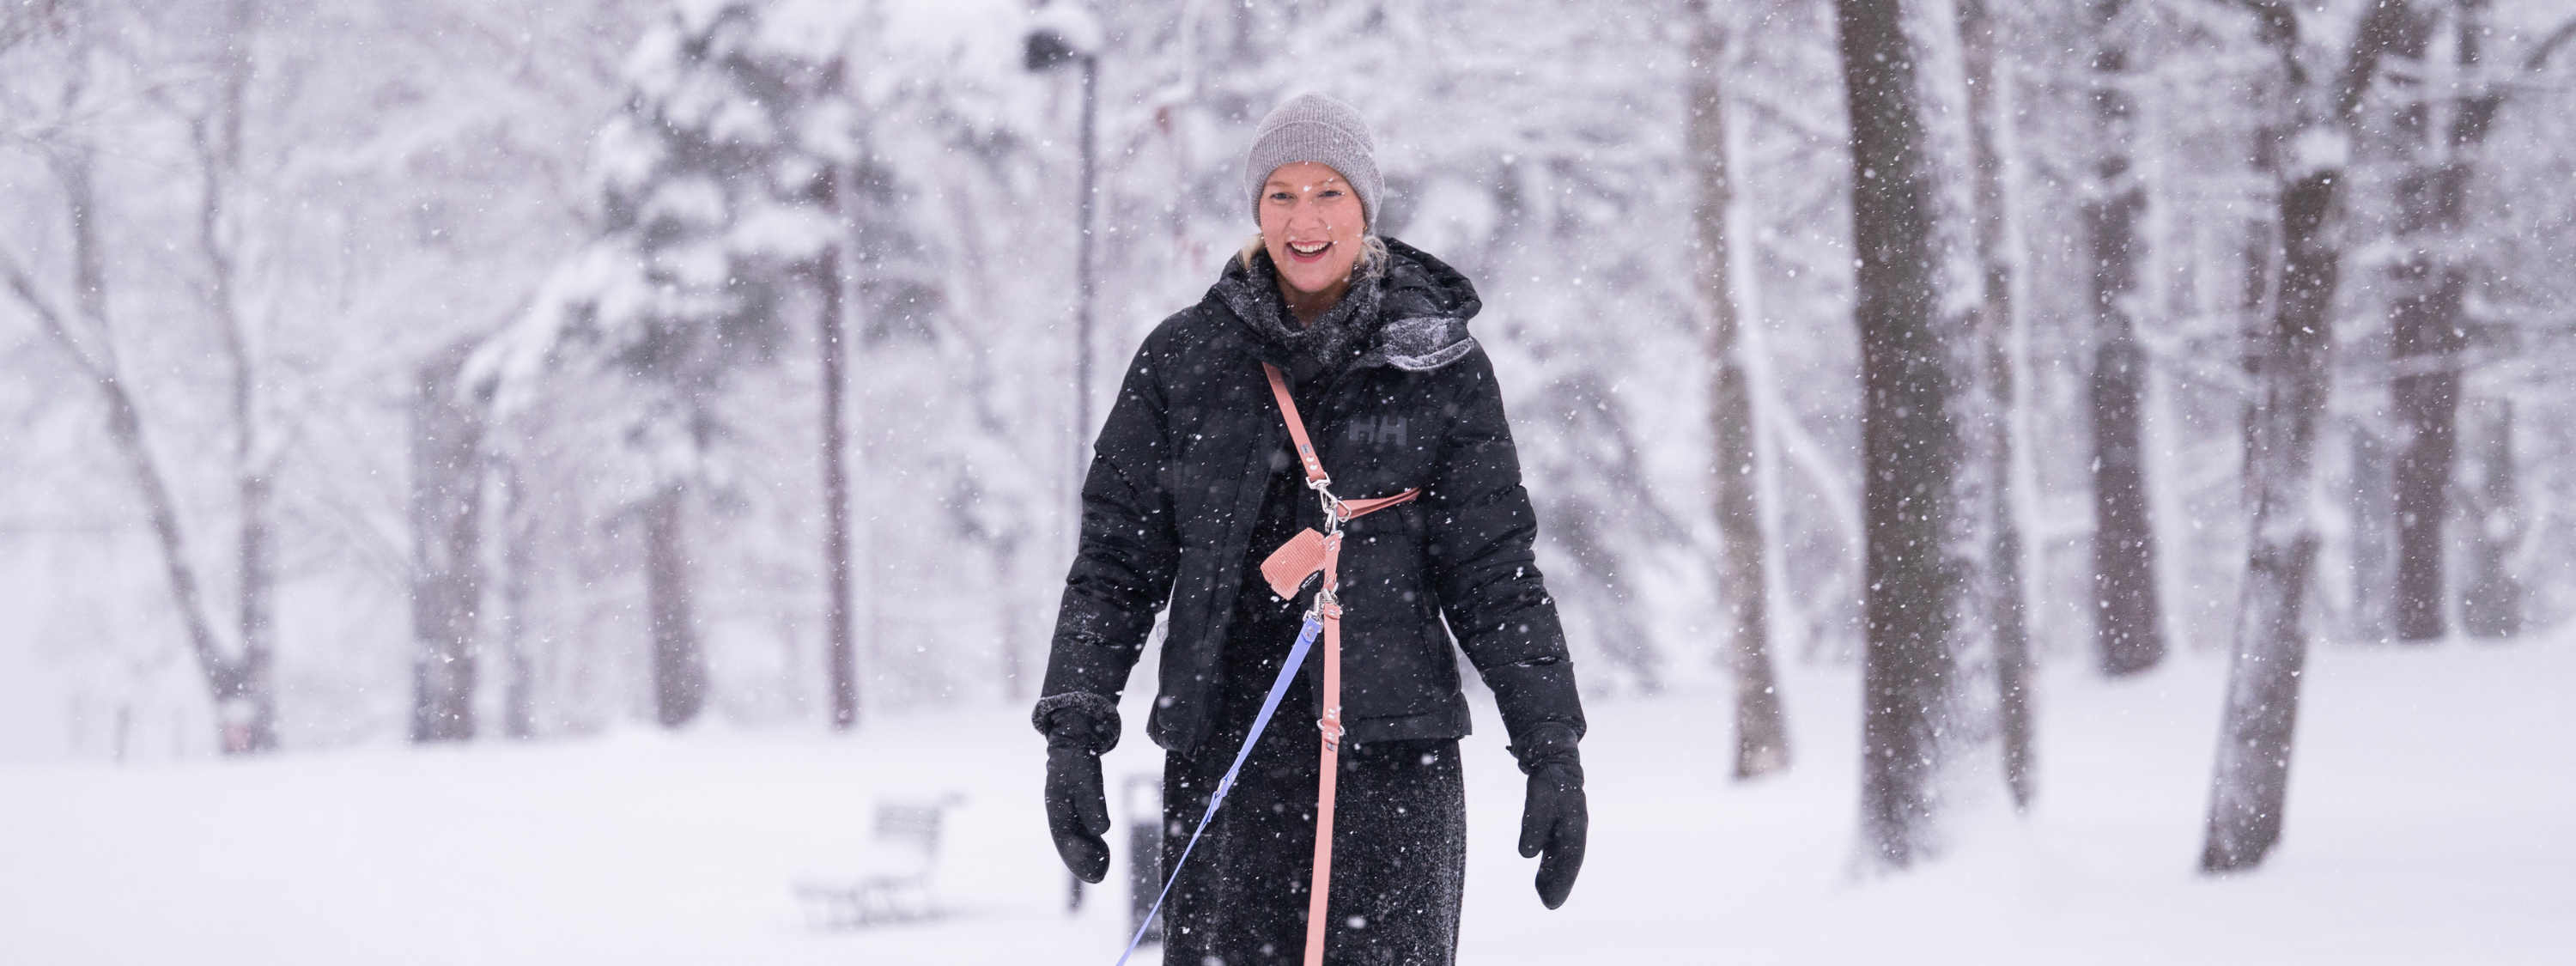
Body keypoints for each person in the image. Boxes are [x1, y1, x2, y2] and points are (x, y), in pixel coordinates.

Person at [1032, 93, 1587, 966]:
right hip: (1229, 756)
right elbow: (1114, 564)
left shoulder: (1437, 365)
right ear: (1256, 208)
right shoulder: (1182, 362)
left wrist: (1550, 744)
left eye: (1328, 192)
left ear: (1365, 206)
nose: (1305, 219)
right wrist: (1075, 721)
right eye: (1281, 194)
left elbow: (1494, 574)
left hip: (1395, 772)